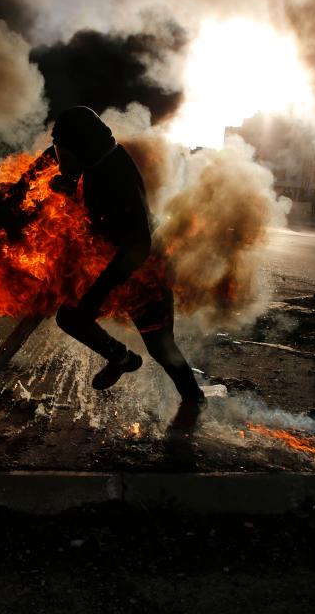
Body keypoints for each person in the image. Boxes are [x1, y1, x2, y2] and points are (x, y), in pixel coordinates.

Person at [46, 106, 206, 431]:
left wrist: (98, 292)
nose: (59, 156)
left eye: (63, 150)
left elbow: (138, 245)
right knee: (71, 316)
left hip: (144, 273)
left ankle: (193, 400)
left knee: (162, 347)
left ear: (81, 147)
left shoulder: (113, 175)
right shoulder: (99, 160)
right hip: (120, 267)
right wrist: (68, 185)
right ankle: (122, 358)